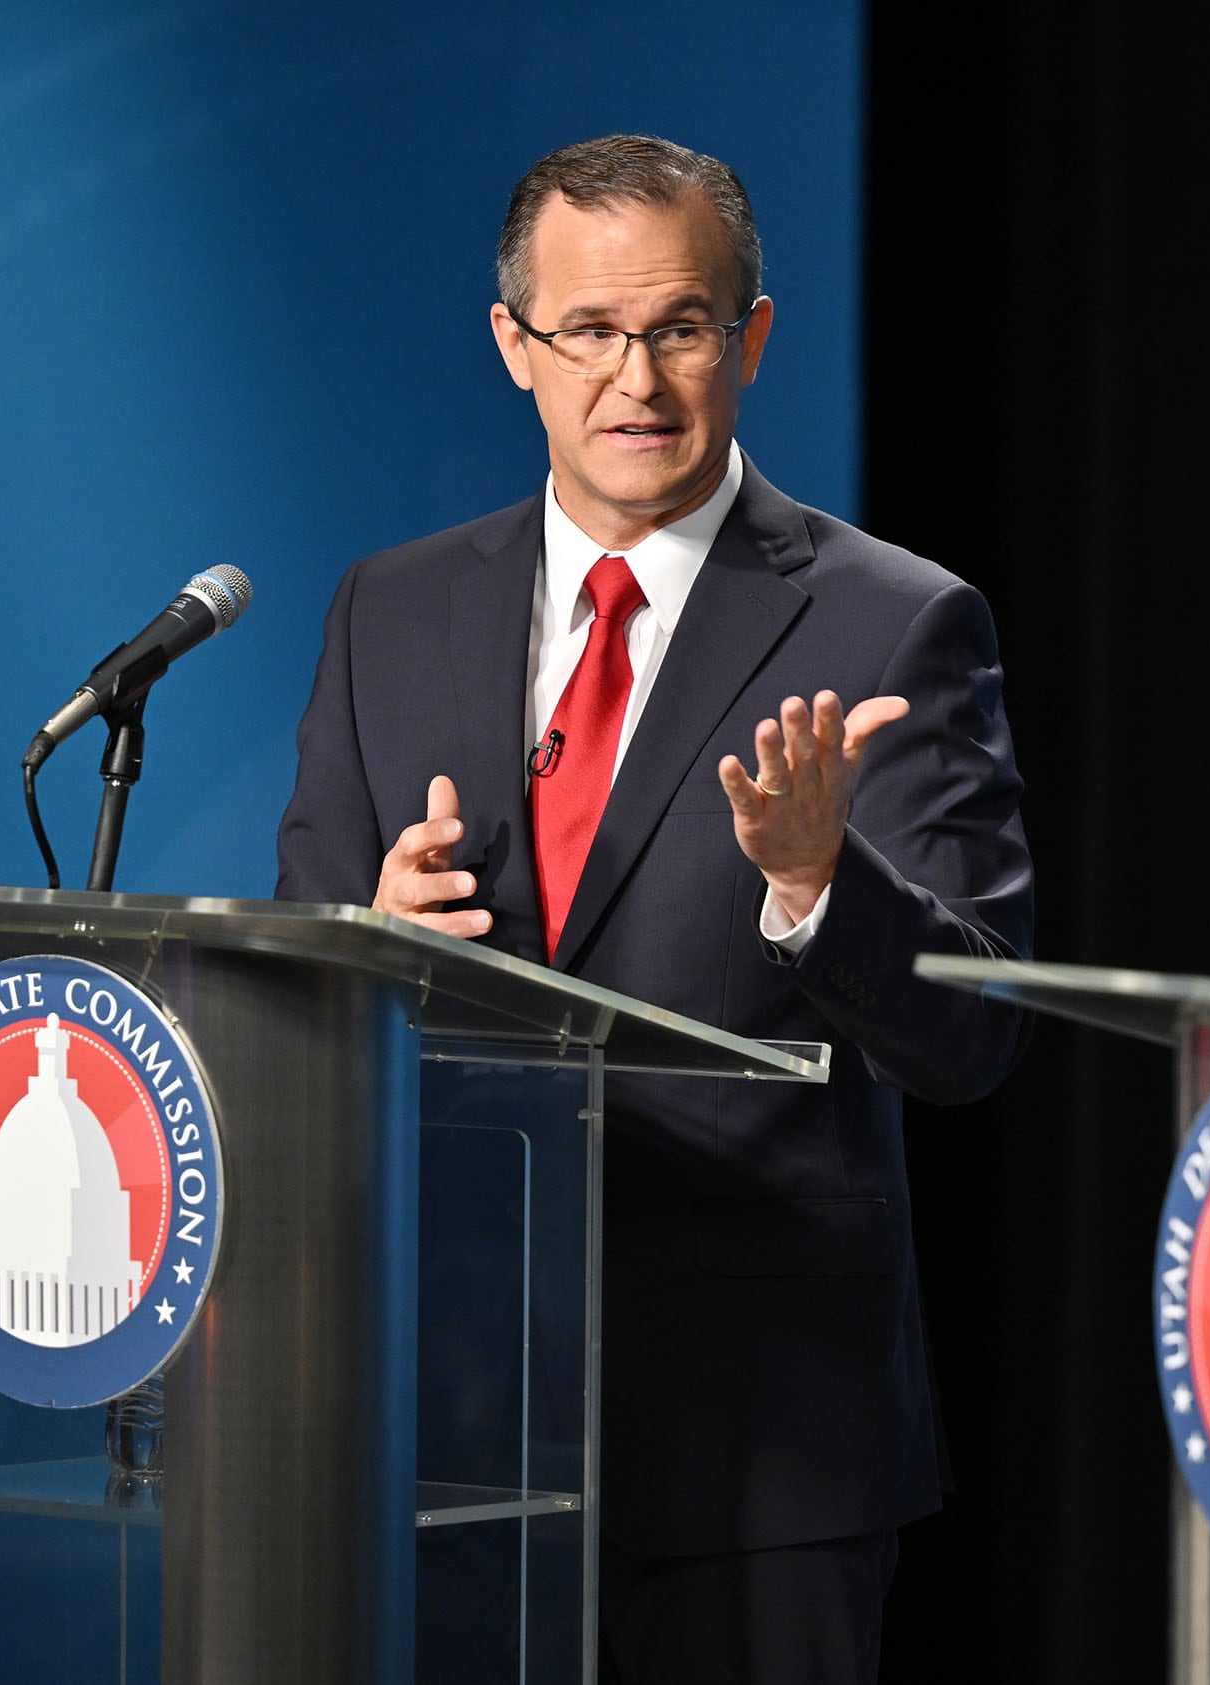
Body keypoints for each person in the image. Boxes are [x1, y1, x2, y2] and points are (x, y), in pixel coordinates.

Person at [275, 134, 1033, 1684]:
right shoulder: (388, 611)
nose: (637, 377)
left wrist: (824, 883)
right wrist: (375, 948)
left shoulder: (896, 620)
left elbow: (976, 1035)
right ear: (515, 347)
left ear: (750, 340)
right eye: (590, 332)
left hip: (760, 1447)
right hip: (447, 1420)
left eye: (680, 327)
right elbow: (297, 996)